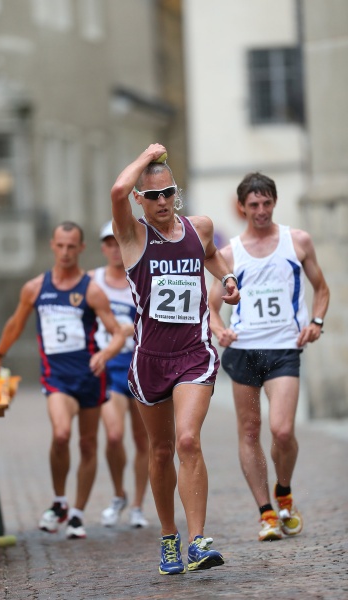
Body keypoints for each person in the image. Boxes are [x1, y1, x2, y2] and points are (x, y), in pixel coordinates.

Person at [110, 143, 240, 574]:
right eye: (153, 196)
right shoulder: (132, 236)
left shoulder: (198, 228)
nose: (163, 201)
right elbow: (116, 190)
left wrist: (228, 277)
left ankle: (198, 541)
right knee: (161, 449)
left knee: (187, 440)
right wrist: (146, 156)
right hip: (150, 360)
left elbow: (212, 257)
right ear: (139, 200)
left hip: (193, 355)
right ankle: (169, 536)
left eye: (169, 192)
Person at [0, 221, 125, 539]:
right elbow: (15, 324)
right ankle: (60, 500)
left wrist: (105, 354)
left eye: (71, 246)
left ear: (81, 248)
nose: (65, 252)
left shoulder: (91, 290)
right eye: (60, 246)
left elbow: (117, 333)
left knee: (88, 444)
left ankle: (77, 513)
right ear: (52, 245)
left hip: (90, 377)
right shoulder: (35, 288)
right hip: (56, 378)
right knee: (61, 434)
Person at [209, 172, 330, 542]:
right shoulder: (230, 254)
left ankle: (284, 491)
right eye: (253, 205)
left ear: (274, 202)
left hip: (283, 349)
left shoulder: (297, 241)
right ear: (242, 207)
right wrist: (219, 330)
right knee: (249, 431)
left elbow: (321, 289)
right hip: (244, 351)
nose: (260, 210)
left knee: (282, 430)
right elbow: (210, 307)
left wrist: (316, 322)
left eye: (266, 203)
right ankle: (266, 513)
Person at [88, 222, 149, 528]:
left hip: (140, 364)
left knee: (143, 439)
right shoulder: (92, 281)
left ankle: (137, 504)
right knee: (113, 435)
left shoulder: (144, 277)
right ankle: (118, 494)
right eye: (109, 243)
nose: (115, 249)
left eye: (119, 242)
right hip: (108, 367)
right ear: (103, 248)